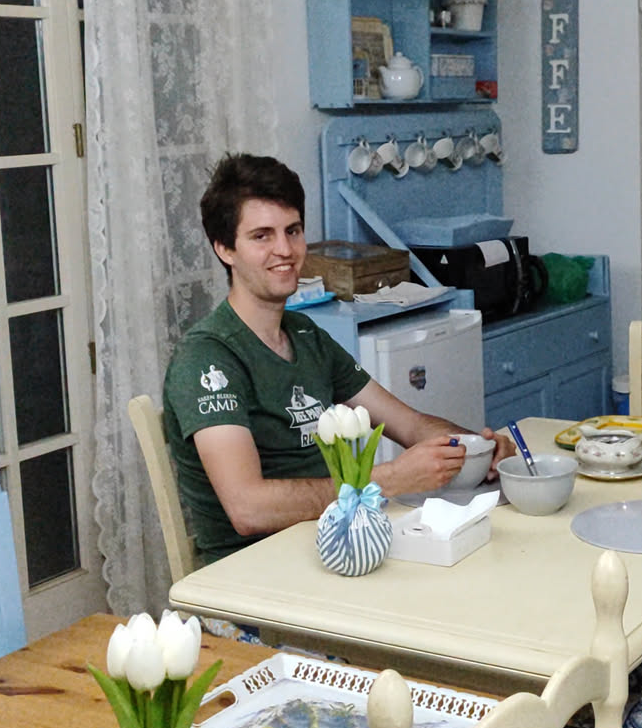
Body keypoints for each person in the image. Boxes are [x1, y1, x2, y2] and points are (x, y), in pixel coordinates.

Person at [162, 153, 510, 563]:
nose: (284, 249)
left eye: (293, 231)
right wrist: (389, 479)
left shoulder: (305, 334)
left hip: (335, 546)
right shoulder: (207, 358)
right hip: (253, 572)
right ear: (225, 249)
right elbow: (248, 509)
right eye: (261, 236)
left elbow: (411, 425)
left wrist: (474, 448)